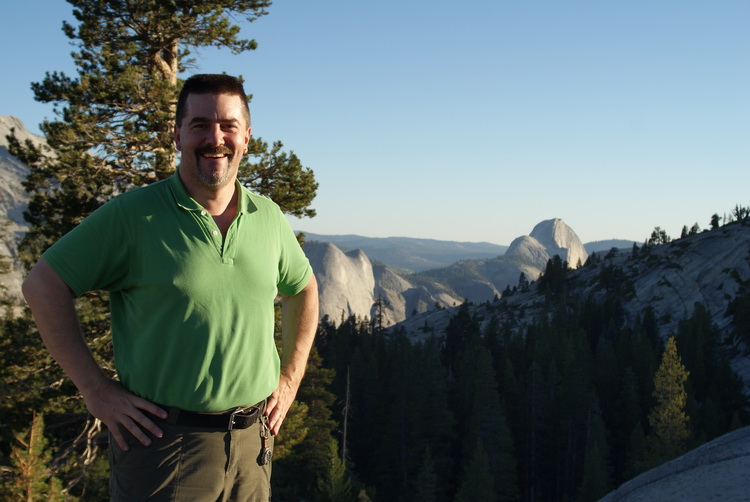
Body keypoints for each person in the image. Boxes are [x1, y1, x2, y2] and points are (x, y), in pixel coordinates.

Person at [22, 74, 319, 501]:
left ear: (247, 137)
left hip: (253, 445)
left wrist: (290, 378)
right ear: (177, 134)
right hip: (164, 447)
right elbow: (43, 284)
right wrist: (95, 389)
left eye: (228, 126)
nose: (215, 138)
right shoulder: (133, 216)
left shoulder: (267, 216)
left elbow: (304, 288)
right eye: (199, 125)